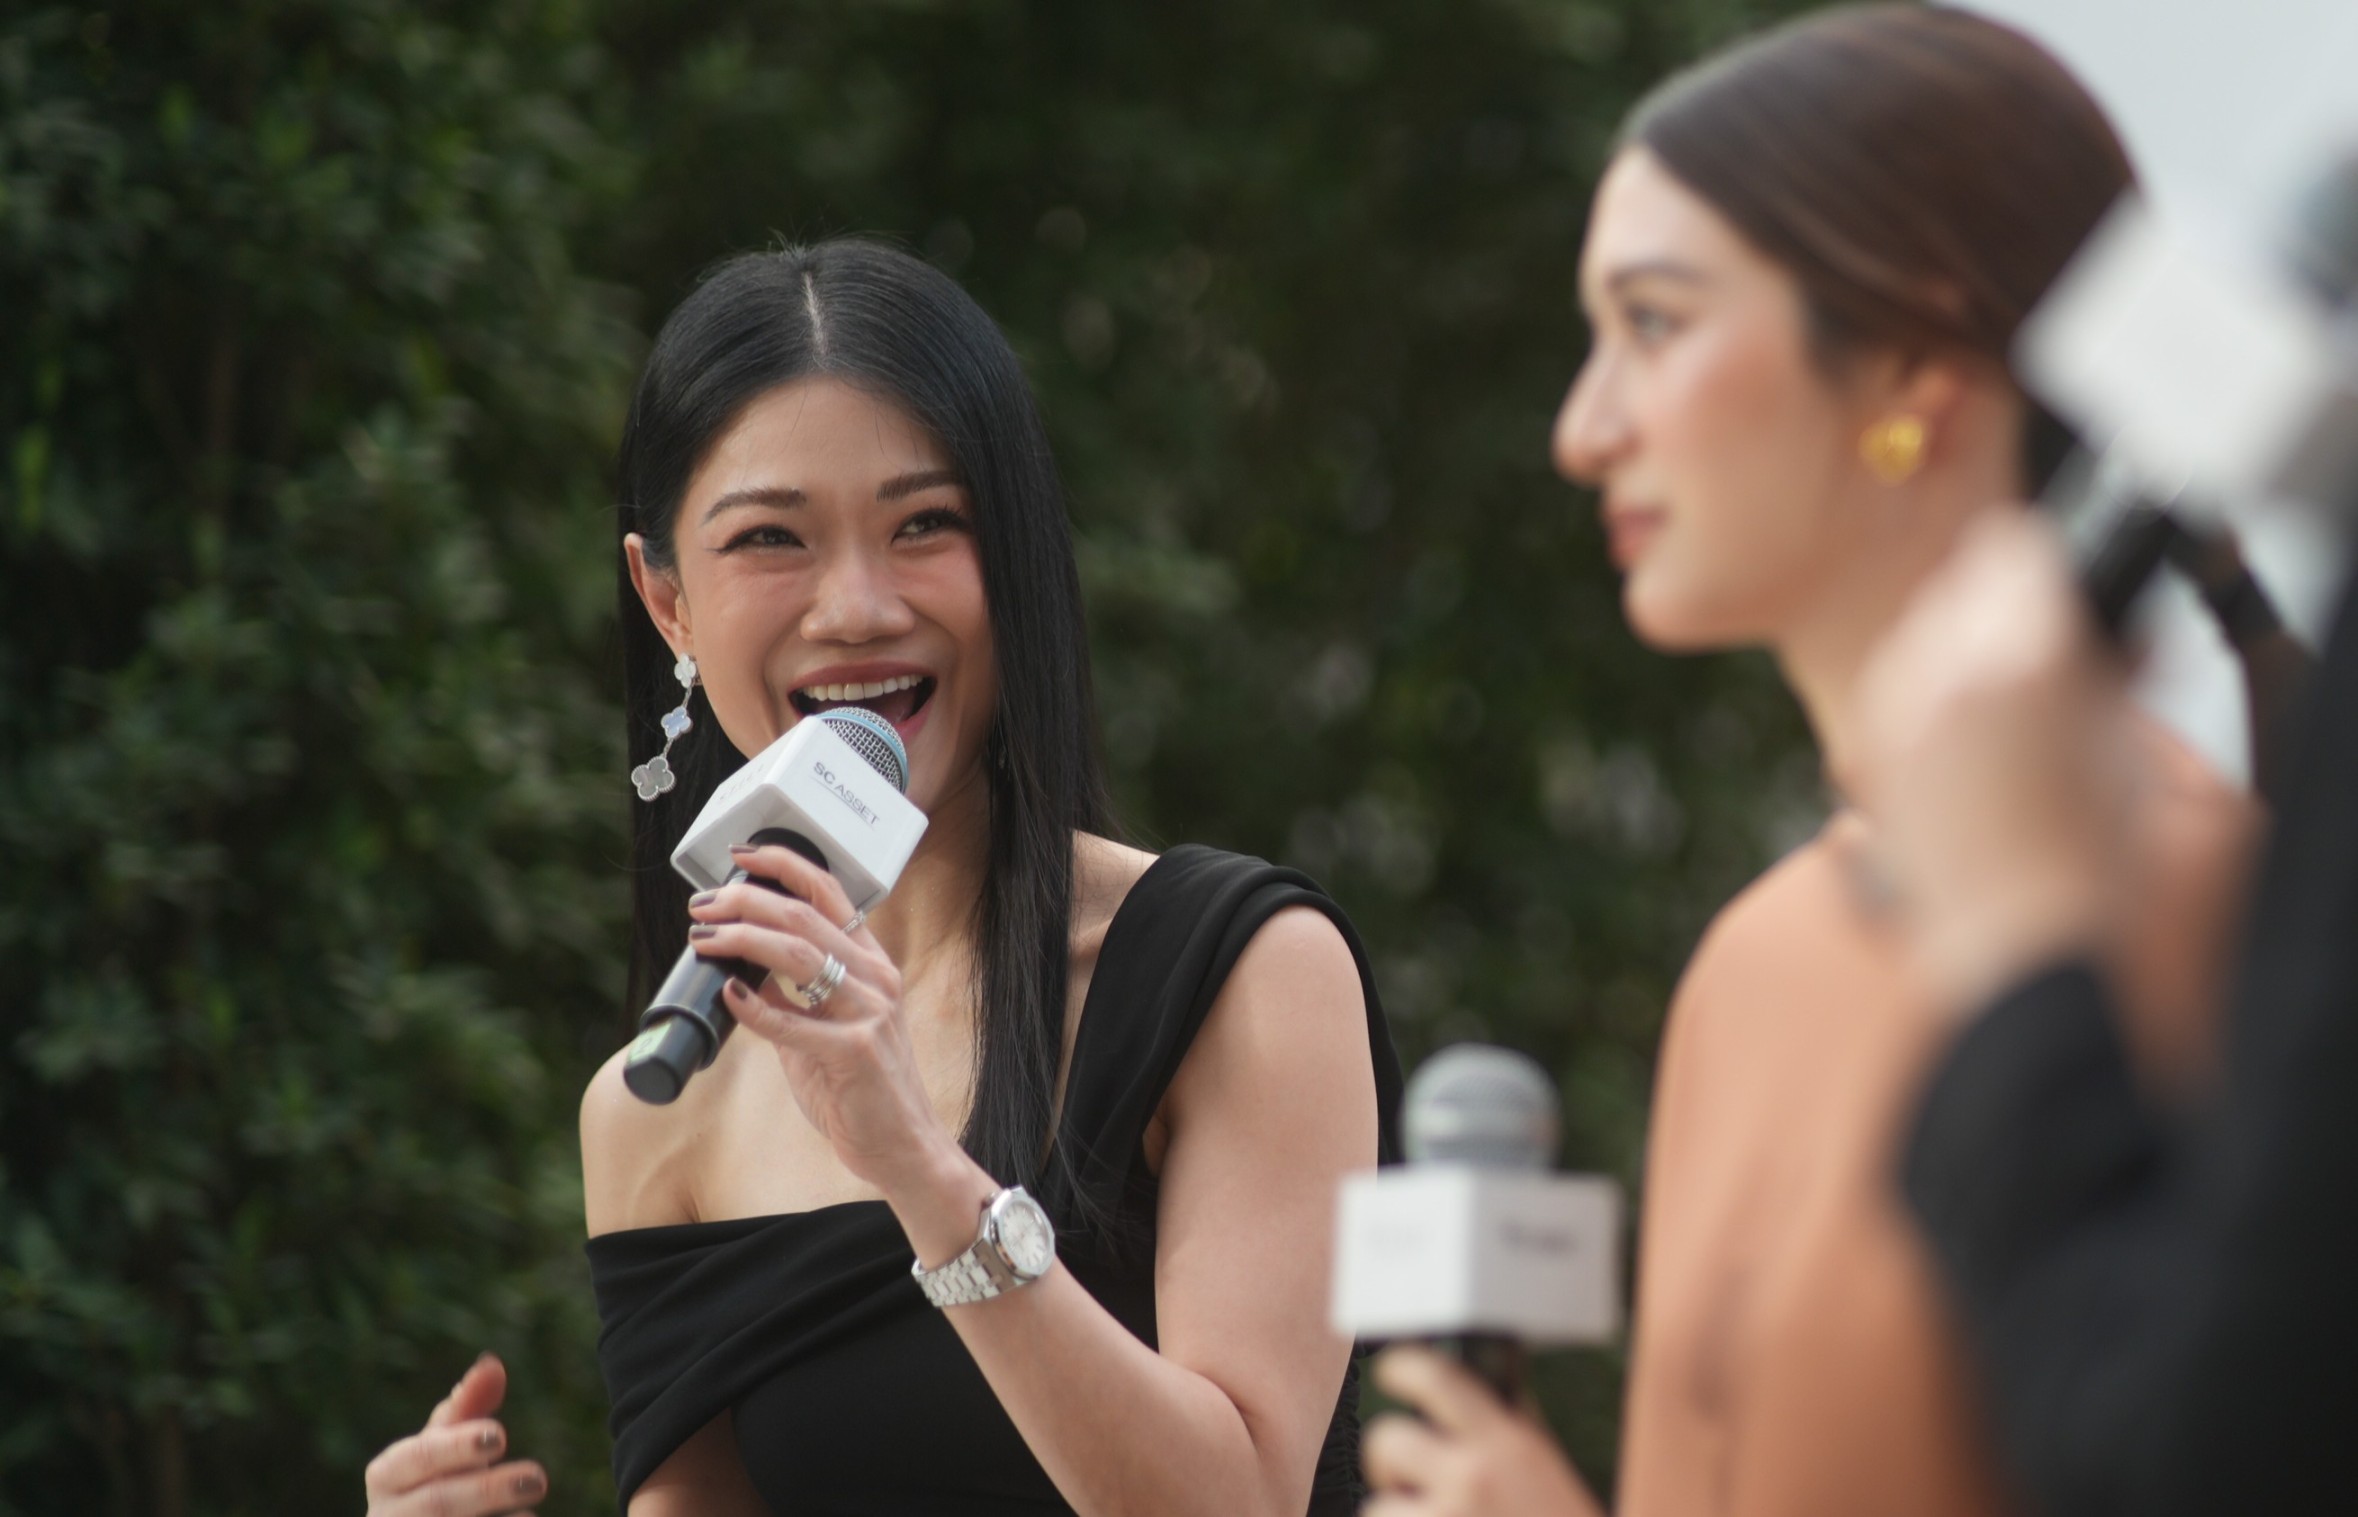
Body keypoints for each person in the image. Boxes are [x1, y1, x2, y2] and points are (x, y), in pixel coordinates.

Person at [1363, 9, 2260, 1516]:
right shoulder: (1751, 965)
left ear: (1910, 365)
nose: (1583, 430)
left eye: (1654, 323)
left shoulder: (2206, 907)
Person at [361, 239, 1402, 1516]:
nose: (855, 608)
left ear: (1014, 559)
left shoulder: (1242, 969)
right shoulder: (656, 1102)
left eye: (924, 525)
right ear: (666, 601)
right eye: (771, 538)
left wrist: (918, 1165)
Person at [1856, 502, 2356, 1515]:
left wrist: (2011, 935)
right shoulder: (1745, 949)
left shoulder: (2180, 866)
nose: (1584, 439)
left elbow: (2231, 1447)